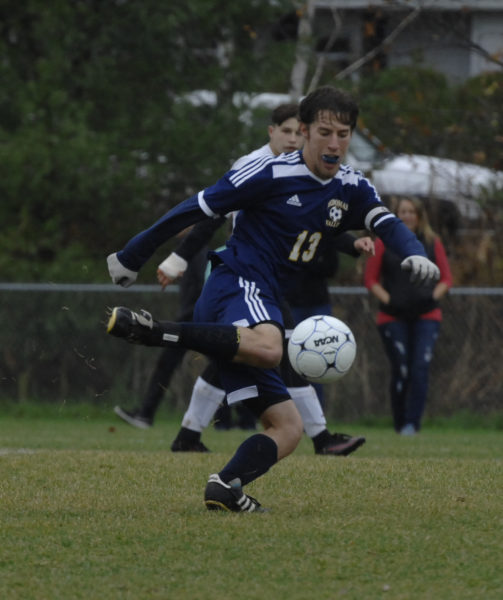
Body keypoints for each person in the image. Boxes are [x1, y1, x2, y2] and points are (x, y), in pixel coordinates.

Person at [106, 86, 440, 512]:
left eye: (344, 133)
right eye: (324, 132)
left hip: (261, 296)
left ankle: (226, 487)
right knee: (270, 347)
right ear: (303, 131)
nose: (335, 143)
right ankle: (158, 333)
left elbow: (387, 223)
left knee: (288, 428)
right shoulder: (266, 174)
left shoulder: (353, 187)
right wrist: (134, 253)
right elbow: (197, 208)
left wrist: (412, 250)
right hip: (236, 281)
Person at [363, 196, 452, 435]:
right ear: (396, 215)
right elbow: (370, 280)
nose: (407, 216)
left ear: (419, 216)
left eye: (412, 211)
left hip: (426, 315)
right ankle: (400, 422)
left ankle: (413, 424)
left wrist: (432, 297)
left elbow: (446, 279)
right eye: (403, 211)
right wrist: (390, 300)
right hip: (393, 317)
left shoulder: (432, 242)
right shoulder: (384, 242)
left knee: (420, 368)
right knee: (401, 369)